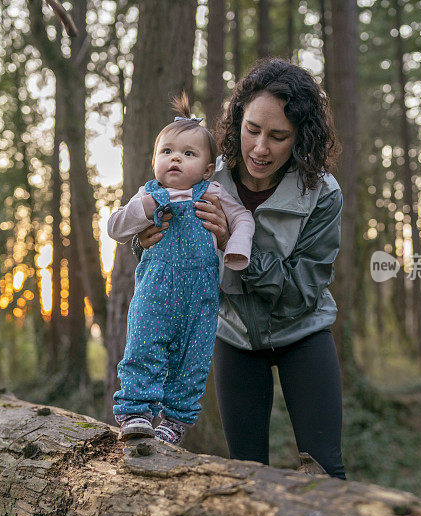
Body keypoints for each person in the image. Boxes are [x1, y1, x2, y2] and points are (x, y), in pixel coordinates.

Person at [136, 58, 347, 479]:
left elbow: (304, 290)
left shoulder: (322, 193)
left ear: (300, 137)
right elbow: (157, 233)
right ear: (236, 122)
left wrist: (234, 246)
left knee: (326, 471)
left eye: (278, 136)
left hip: (302, 333)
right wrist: (142, 242)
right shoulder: (202, 176)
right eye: (252, 130)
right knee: (246, 474)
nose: (260, 148)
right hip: (232, 337)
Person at [108, 94, 255, 445]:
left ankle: (174, 422)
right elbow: (116, 228)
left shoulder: (213, 193)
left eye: (189, 154)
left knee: (193, 358)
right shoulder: (148, 194)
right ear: (155, 160)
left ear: (207, 168)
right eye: (168, 151)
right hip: (154, 293)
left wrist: (235, 249)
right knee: (143, 348)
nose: (176, 158)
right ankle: (135, 413)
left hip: (201, 298)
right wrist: (144, 207)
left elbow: (243, 219)